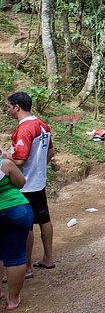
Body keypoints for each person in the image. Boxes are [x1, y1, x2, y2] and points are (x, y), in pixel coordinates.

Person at [2, 92, 55, 278]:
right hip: (39, 181)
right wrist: (40, 167)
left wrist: (4, 156)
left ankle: (26, 267)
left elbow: (19, 160)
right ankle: (48, 258)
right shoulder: (43, 125)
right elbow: (51, 152)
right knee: (44, 219)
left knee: (27, 226)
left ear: (17, 107)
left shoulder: (25, 128)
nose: (7, 110)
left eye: (8, 106)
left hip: (25, 184)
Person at [0, 156, 33, 310]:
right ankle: (13, 299)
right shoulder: (5, 165)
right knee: (15, 256)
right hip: (15, 209)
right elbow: (21, 183)